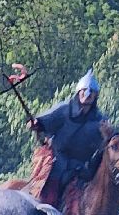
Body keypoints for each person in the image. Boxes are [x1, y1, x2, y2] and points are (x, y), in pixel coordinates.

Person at [29, 69, 106, 207]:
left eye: (90, 92)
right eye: (83, 90)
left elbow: (111, 142)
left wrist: (109, 135)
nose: (86, 94)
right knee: (50, 192)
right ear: (78, 92)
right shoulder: (64, 110)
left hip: (83, 166)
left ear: (95, 96)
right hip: (59, 159)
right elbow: (45, 122)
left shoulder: (100, 120)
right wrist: (37, 124)